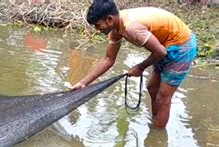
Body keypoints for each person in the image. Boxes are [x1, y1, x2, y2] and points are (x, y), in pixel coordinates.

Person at [70, 0, 197, 128]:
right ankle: (155, 121)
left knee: (163, 97)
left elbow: (160, 52)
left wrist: (140, 67)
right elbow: (109, 59)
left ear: (109, 19)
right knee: (152, 88)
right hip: (163, 45)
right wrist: (83, 83)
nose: (97, 30)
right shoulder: (116, 29)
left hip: (182, 46)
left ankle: (157, 135)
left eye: (98, 25)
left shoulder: (132, 27)